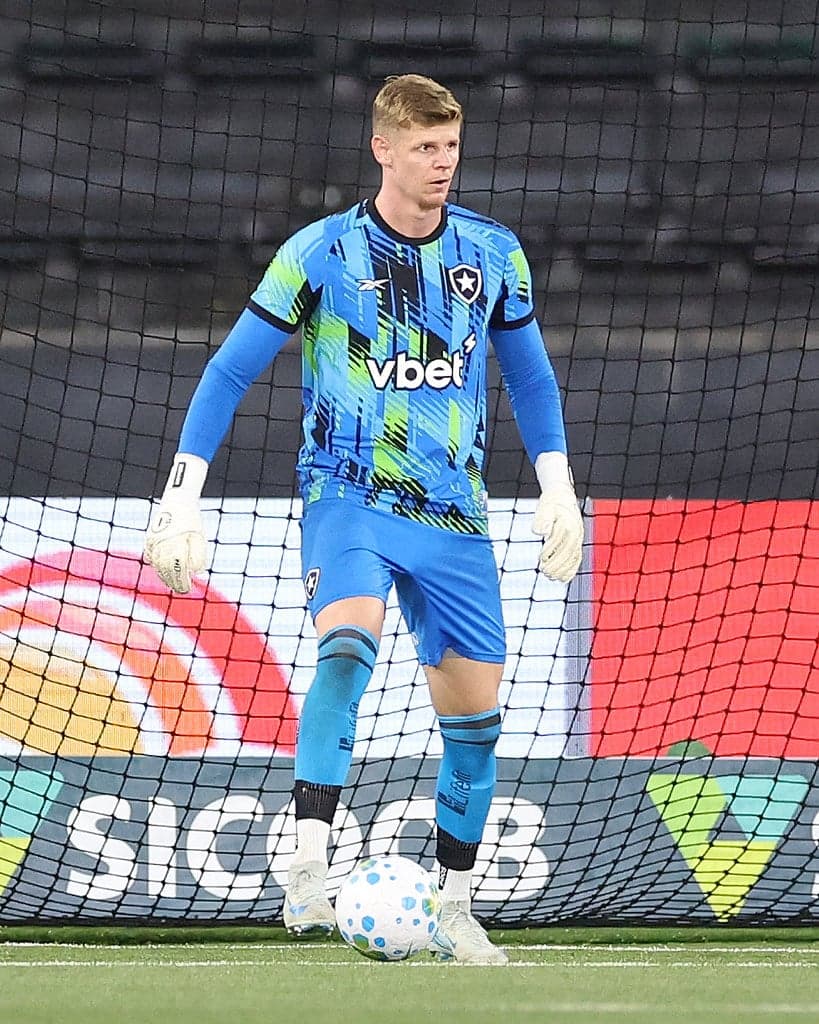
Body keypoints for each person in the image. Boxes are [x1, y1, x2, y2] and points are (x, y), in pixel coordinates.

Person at [144, 73, 583, 965]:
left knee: (475, 726)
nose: (441, 163)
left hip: (452, 516)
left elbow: (530, 376)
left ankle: (455, 905)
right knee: (346, 647)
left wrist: (556, 485)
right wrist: (180, 495)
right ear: (383, 149)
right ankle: (308, 866)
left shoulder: (493, 252)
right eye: (424, 147)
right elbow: (229, 372)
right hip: (348, 495)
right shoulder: (319, 254)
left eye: (450, 146)